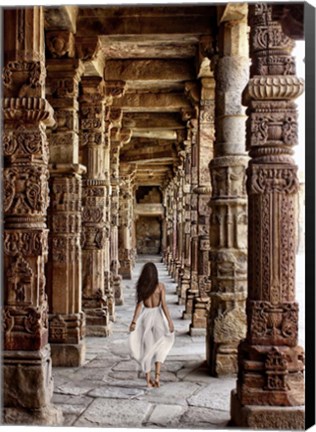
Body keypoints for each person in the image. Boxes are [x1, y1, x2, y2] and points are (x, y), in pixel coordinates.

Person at [128, 262, 175, 388]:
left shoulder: (142, 288)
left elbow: (139, 306)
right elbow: (164, 305)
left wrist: (134, 321)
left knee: (147, 349)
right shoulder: (160, 287)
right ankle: (158, 377)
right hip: (158, 317)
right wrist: (170, 321)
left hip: (146, 318)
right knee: (161, 346)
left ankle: (148, 381)